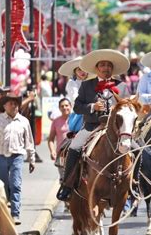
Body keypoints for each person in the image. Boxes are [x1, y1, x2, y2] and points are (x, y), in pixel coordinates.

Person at [56, 49, 130, 201]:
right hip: (92, 126)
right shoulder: (86, 85)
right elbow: (77, 107)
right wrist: (92, 107)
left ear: (112, 68)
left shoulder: (122, 86)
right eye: (102, 65)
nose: (105, 68)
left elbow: (128, 107)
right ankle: (67, 185)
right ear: (97, 68)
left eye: (108, 65)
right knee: (74, 148)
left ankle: (135, 184)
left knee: (136, 147)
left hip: (116, 129)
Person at [0, 93, 36, 225]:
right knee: (2, 185)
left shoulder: (24, 121)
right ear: (5, 106)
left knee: (16, 185)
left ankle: (15, 214)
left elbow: (29, 141)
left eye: (16, 103)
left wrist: (32, 159)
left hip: (17, 157)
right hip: (0, 157)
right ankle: (3, 211)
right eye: (11, 103)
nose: (14, 106)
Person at [48, 98, 71, 176]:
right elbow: (50, 139)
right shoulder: (56, 121)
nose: (64, 108)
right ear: (59, 108)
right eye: (62, 106)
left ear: (70, 106)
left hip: (74, 153)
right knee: (63, 179)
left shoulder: (76, 119)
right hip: (61, 154)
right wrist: (52, 151)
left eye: (66, 105)